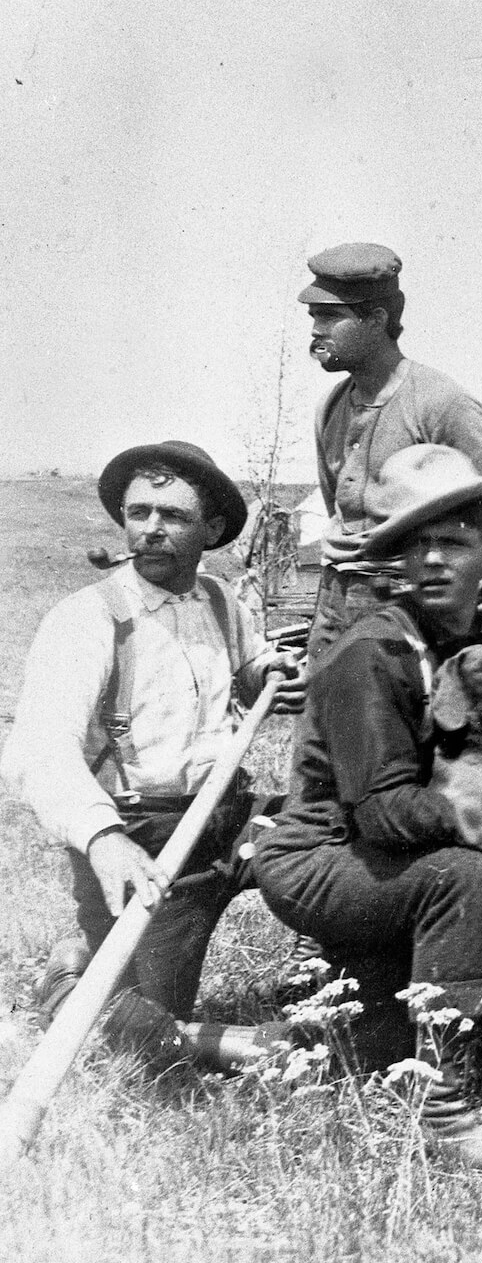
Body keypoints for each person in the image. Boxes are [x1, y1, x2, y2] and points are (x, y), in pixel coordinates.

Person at [256, 446, 482, 1165]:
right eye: (414, 543)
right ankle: (447, 1113)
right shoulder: (372, 654)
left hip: (400, 860)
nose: (432, 560)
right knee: (469, 876)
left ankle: (217, 1041)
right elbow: (385, 813)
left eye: (453, 541)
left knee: (362, 1047)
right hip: (322, 857)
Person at [2, 443, 305, 1060]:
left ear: (213, 529)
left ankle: (330, 985)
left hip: (228, 813)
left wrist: (266, 672)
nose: (151, 530)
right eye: (139, 513)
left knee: (340, 851)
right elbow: (40, 751)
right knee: (147, 1022)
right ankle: (72, 981)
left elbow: (240, 671)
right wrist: (104, 838)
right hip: (144, 833)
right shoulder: (87, 620)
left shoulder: (222, 600)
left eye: (173, 516)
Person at [298, 243, 482, 664]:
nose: (317, 331)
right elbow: (339, 507)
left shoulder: (442, 404)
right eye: (314, 317)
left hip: (409, 609)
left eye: (330, 316)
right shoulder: (330, 407)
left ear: (376, 320)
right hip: (335, 596)